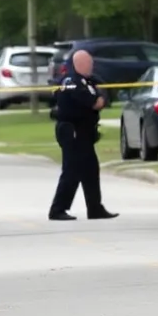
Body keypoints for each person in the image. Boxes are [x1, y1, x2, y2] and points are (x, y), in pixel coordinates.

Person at [48, 49, 118, 221]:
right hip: (72, 132)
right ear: (79, 64)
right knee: (71, 171)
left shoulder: (87, 81)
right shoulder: (72, 82)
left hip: (85, 132)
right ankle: (58, 209)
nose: (91, 66)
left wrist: (101, 93)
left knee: (90, 170)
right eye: (89, 63)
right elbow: (96, 103)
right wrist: (100, 96)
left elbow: (105, 92)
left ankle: (95, 208)